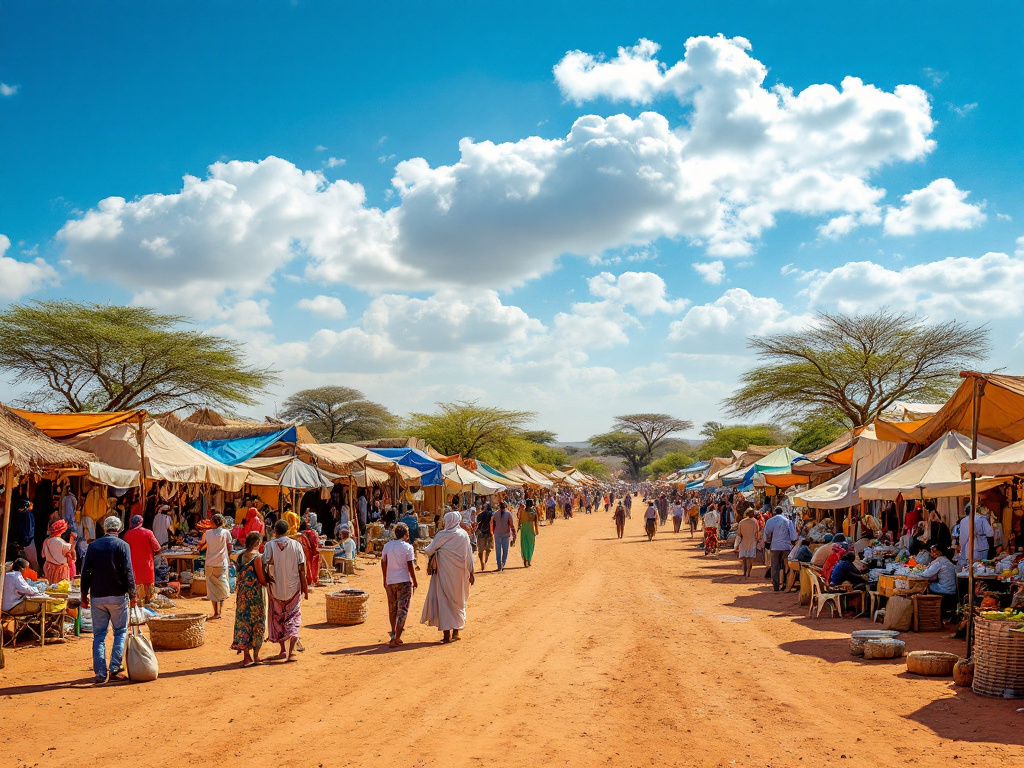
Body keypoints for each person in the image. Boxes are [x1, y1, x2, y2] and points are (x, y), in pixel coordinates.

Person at [81, 516, 137, 684]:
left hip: (97, 597)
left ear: (105, 529)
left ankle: (100, 673)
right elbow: (128, 571)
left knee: (99, 635)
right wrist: (133, 594)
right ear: (118, 529)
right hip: (117, 596)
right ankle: (114, 670)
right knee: (120, 632)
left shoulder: (93, 546)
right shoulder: (123, 545)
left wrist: (84, 595)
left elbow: (85, 572)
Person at [421, 511, 475, 644]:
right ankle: (456, 632)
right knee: (458, 600)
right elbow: (469, 555)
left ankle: (446, 635)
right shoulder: (463, 535)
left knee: (444, 602)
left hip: (443, 576)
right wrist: (472, 572)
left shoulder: (441, 535)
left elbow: (429, 550)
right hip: (460, 576)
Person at [263, 519, 309, 662]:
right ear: (288, 530)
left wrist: (267, 580)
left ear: (275, 531)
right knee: (293, 617)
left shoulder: (269, 545)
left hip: (275, 588)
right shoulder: (296, 545)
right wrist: (305, 588)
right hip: (293, 588)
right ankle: (291, 651)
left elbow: (264, 563)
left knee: (277, 618)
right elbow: (302, 569)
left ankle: (283, 650)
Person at [231, 531, 269, 667]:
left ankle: (246, 657)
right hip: (255, 598)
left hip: (242, 597)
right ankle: (256, 656)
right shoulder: (258, 557)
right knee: (257, 624)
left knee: (242, 623)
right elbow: (262, 579)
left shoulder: (239, 556)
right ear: (257, 543)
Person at [381, 522, 418, 647]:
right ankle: (396, 637)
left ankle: (393, 634)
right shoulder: (408, 547)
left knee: (393, 608)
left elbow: (383, 562)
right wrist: (415, 580)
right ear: (406, 534)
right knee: (402, 609)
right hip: (403, 581)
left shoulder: (387, 546)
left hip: (390, 581)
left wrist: (385, 579)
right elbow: (410, 566)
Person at [200, 514, 233, 620]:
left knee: (212, 590)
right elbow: (229, 546)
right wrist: (228, 556)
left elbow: (202, 544)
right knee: (222, 588)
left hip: (210, 564)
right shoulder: (226, 532)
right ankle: (220, 611)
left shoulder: (207, 533)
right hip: (222, 564)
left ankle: (215, 612)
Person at [123, 514, 161, 603]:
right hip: (146, 562)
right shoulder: (148, 533)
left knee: (135, 580)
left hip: (133, 563)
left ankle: (137, 599)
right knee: (147, 581)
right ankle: (148, 599)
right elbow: (157, 547)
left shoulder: (127, 534)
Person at [763, 509, 797, 592]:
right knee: (786, 566)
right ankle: (785, 584)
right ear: (782, 512)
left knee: (775, 566)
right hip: (786, 547)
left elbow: (767, 534)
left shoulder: (770, 521)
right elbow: (793, 537)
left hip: (775, 547)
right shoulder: (788, 521)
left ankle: (776, 586)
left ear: (775, 513)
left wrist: (768, 541)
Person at [41, 519, 76, 584]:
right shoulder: (60, 542)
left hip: (49, 568)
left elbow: (43, 555)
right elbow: (71, 551)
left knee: (51, 588)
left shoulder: (46, 540)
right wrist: (72, 539)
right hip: (60, 569)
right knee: (61, 589)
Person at [297, 521, 321, 587]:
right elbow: (315, 544)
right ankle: (311, 580)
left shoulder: (295, 535)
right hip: (308, 551)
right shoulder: (311, 533)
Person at [736, 510, 759, 577]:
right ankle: (749, 572)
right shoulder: (755, 522)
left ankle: (745, 571)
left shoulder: (741, 522)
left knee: (744, 559)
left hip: (744, 541)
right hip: (752, 541)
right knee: (751, 558)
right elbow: (757, 532)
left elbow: (739, 534)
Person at [518, 500, 538, 567]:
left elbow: (520, 520)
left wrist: (518, 527)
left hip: (524, 529)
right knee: (530, 545)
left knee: (524, 544)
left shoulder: (522, 511)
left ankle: (525, 559)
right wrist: (537, 530)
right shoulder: (534, 512)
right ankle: (529, 560)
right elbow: (536, 522)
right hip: (531, 529)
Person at [476, 504, 494, 571]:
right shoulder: (492, 514)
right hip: (489, 533)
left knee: (480, 550)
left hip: (481, 534)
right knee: (488, 549)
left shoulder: (480, 515)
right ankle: (485, 561)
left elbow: (477, 523)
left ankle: (482, 563)